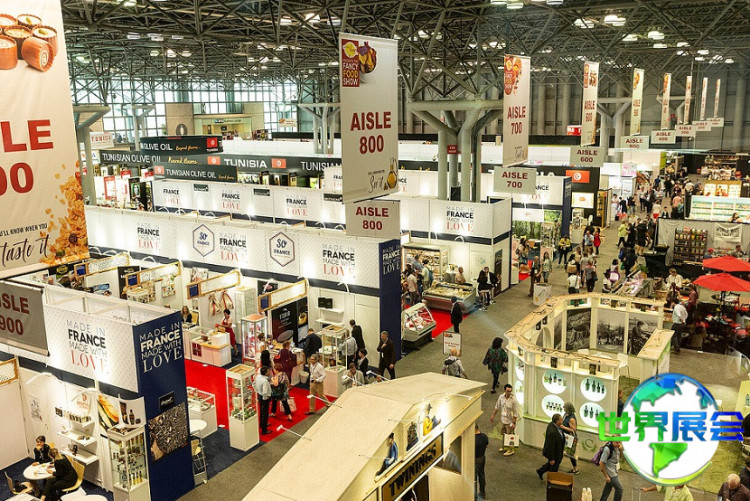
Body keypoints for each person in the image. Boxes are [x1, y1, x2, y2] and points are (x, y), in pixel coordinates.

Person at [490, 383, 521, 456]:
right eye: (508, 391)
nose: (509, 393)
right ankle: (505, 447)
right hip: (503, 419)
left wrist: (514, 422)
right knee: (504, 434)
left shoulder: (514, 400)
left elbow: (516, 412)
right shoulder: (501, 397)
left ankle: (511, 450)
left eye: (510, 391)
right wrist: (493, 415)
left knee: (510, 436)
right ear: (504, 390)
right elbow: (497, 406)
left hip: (510, 421)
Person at [537, 413, 564, 479]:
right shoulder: (552, 432)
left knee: (551, 464)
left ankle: (540, 471)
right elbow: (551, 446)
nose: (562, 420)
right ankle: (552, 479)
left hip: (558, 451)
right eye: (561, 419)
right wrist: (552, 458)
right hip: (555, 453)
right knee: (554, 466)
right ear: (557, 421)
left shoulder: (553, 425)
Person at [560, 402, 580, 474]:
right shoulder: (565, 415)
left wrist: (563, 427)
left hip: (569, 437)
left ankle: (575, 468)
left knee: (571, 454)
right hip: (565, 436)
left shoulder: (571, 419)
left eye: (564, 407)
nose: (563, 408)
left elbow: (573, 430)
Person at [253, 366, 272, 434]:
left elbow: (254, 384)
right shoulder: (265, 381)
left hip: (259, 396)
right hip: (264, 398)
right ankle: (264, 430)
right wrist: (266, 399)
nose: (269, 372)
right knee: (265, 414)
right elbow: (265, 392)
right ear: (266, 373)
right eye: (268, 371)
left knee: (262, 412)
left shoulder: (258, 377)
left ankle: (262, 424)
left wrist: (257, 391)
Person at [475, 424, 489, 499]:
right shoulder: (484, 436)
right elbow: (486, 446)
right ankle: (483, 493)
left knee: (474, 478)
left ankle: (474, 496)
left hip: (475, 459)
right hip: (482, 457)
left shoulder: (474, 439)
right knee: (482, 475)